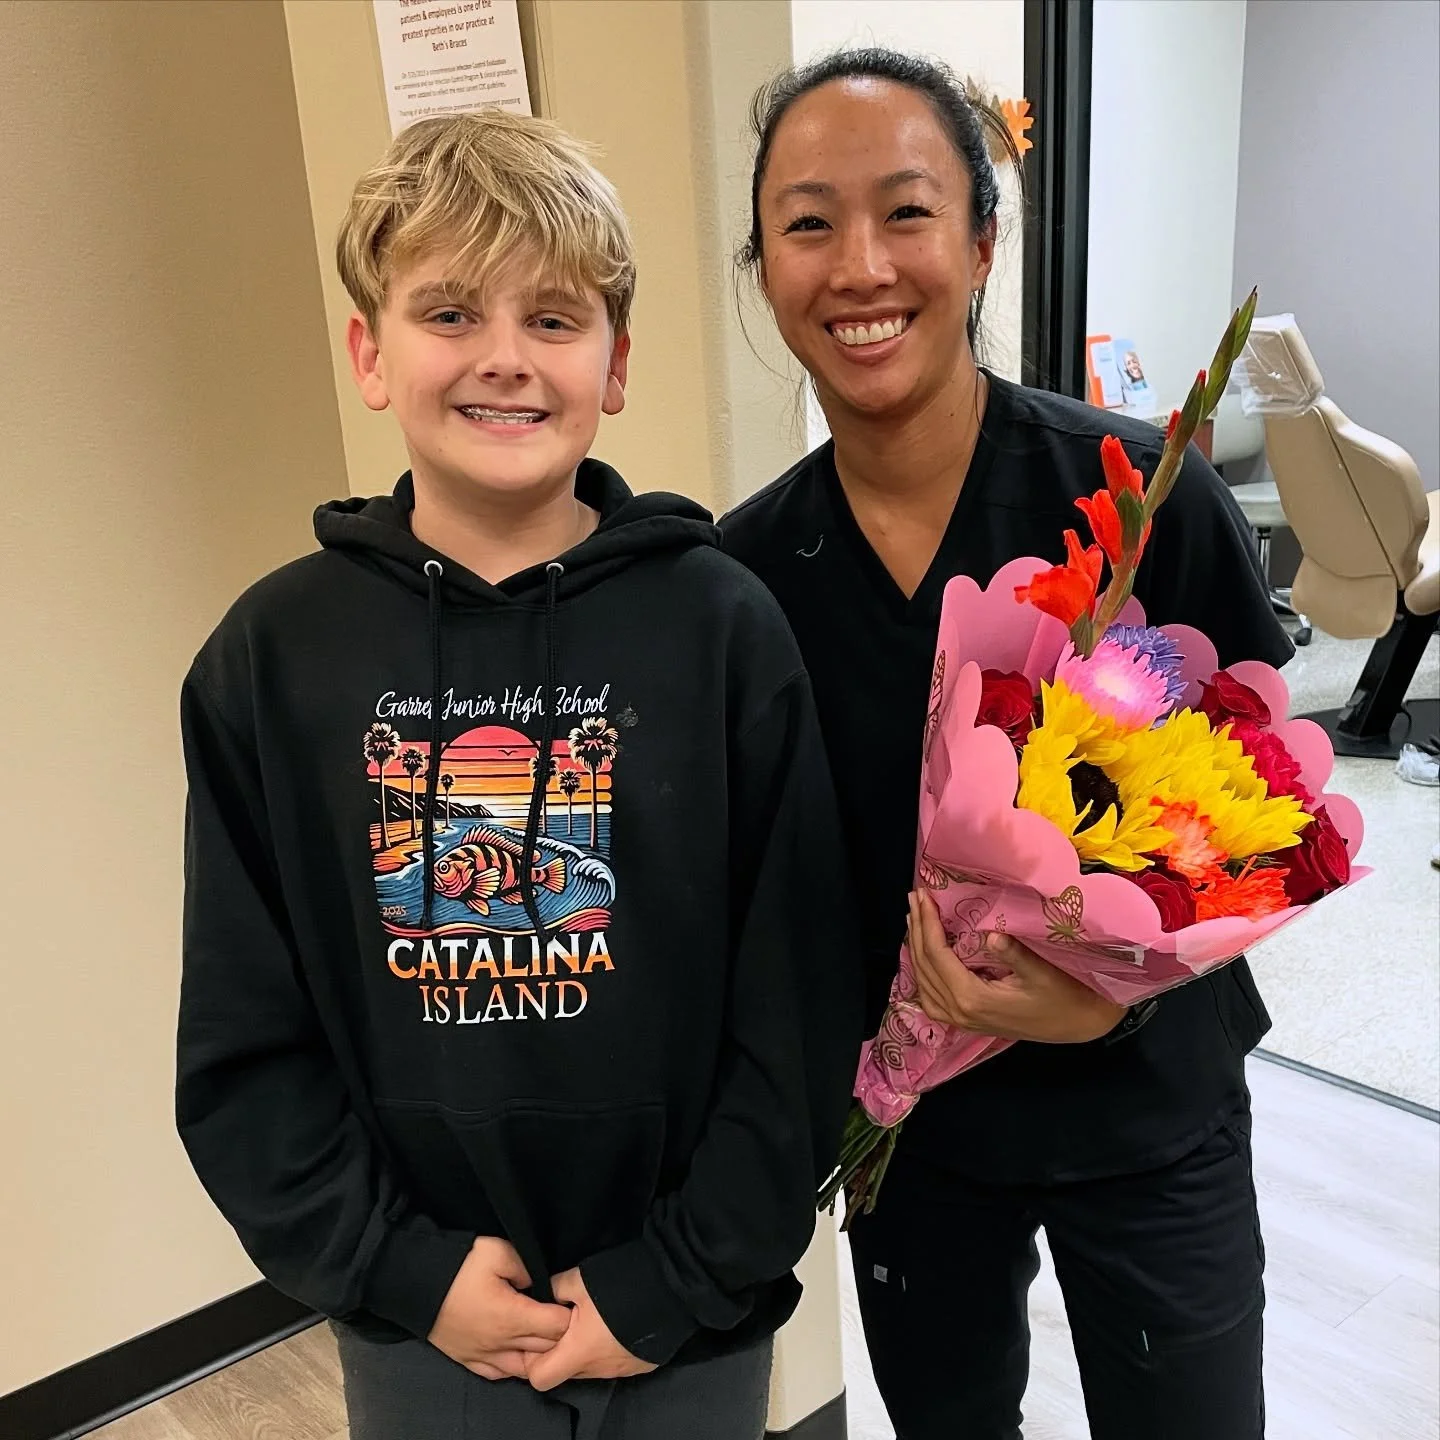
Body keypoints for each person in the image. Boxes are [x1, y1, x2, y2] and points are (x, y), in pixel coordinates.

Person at [175, 110, 862, 1440]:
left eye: (554, 318)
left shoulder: (723, 630)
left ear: (616, 365)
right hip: (429, 1318)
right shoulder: (271, 659)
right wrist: (403, 1271)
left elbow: (798, 1009)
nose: (504, 358)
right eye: (448, 312)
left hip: (690, 1306)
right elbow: (244, 1045)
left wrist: (681, 1268)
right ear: (372, 353)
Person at [722, 49, 1290, 1440]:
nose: (859, 266)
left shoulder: (1141, 504)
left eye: (907, 212)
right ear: (765, 269)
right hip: (913, 1139)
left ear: (982, 244)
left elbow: (1268, 811)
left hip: (1150, 1112)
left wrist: (1120, 996)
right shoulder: (744, 581)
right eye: (807, 222)